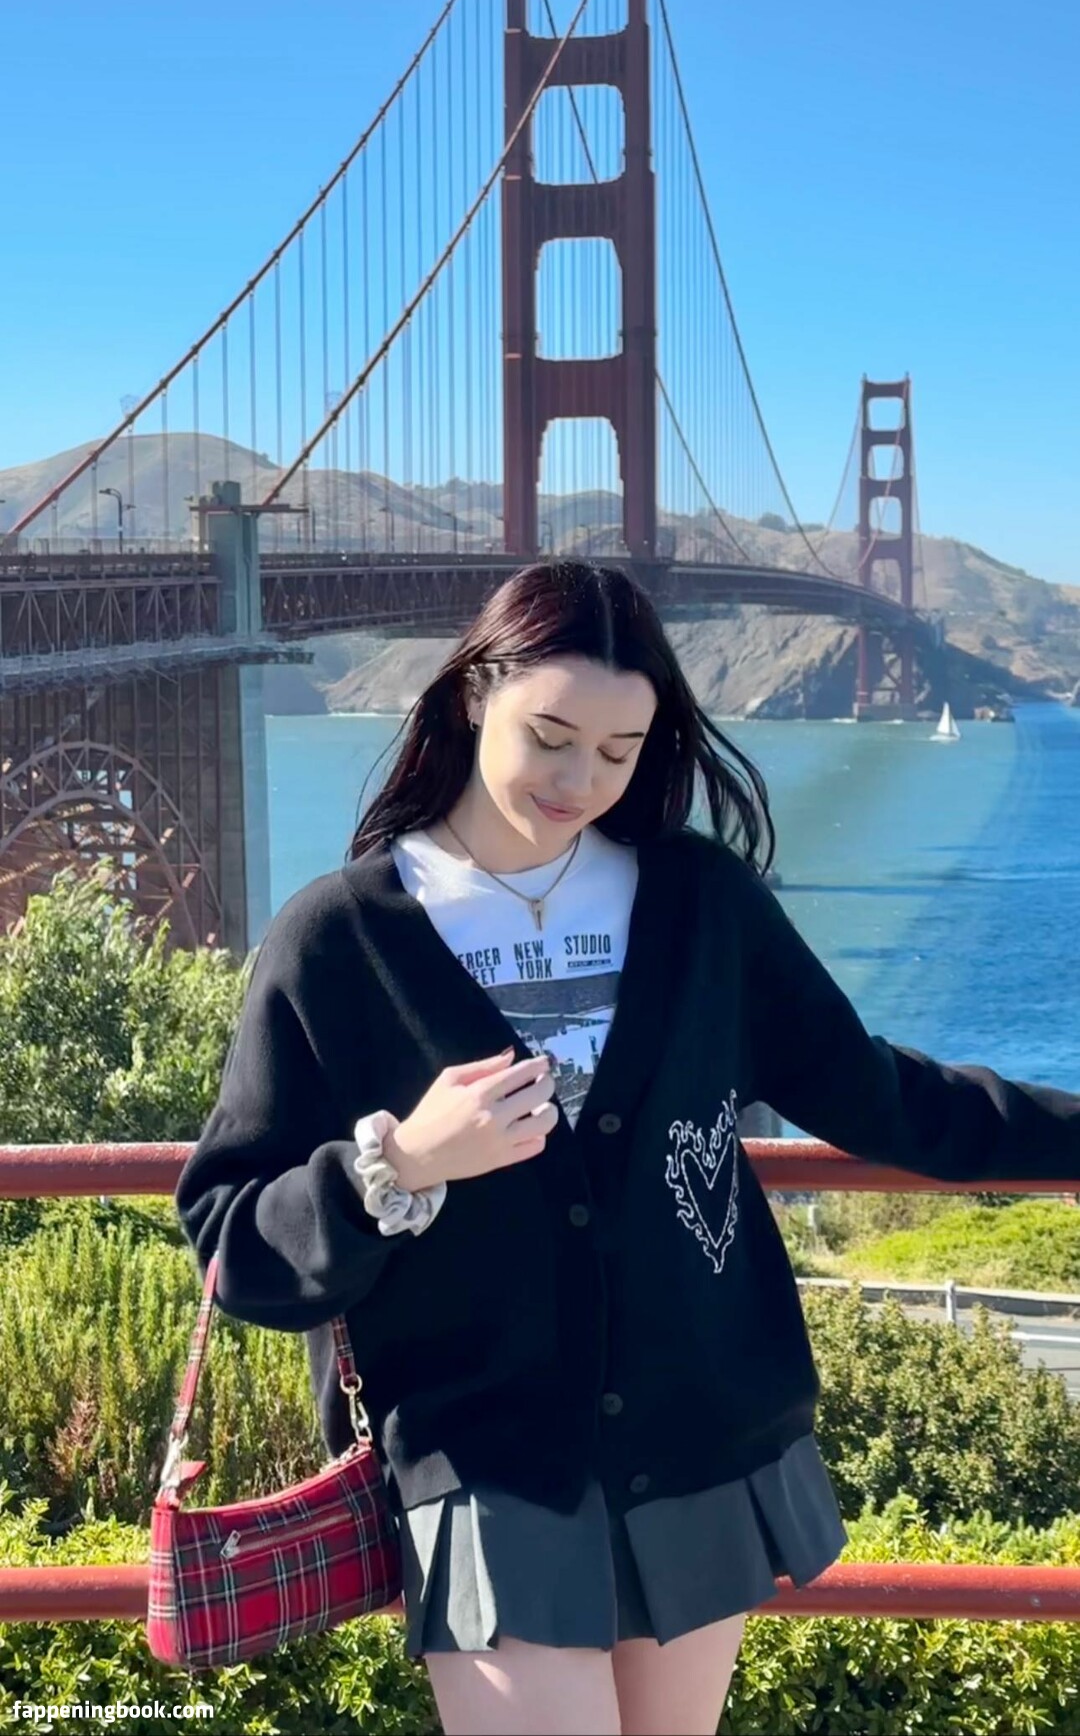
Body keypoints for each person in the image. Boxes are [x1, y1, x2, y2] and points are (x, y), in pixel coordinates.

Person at [176, 558, 1080, 1736]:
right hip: (485, 1457)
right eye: (550, 738)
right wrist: (399, 1166)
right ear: (473, 696)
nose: (580, 783)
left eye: (619, 751)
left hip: (697, 1435)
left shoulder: (701, 902)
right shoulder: (338, 940)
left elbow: (878, 1095)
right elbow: (232, 1242)